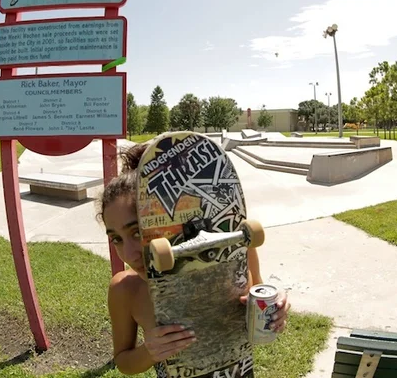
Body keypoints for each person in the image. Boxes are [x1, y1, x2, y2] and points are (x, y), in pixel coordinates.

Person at [98, 143, 291, 376]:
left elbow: (258, 295)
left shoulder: (236, 253)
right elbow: (124, 362)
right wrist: (149, 351)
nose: (128, 254)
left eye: (138, 233)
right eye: (116, 239)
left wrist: (275, 309)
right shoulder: (125, 290)